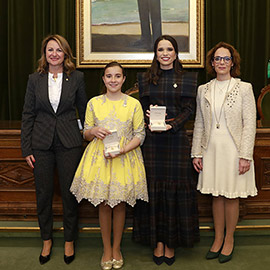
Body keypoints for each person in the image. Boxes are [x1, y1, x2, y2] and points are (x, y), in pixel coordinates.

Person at [70, 61, 148, 270]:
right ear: (103, 79)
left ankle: (116, 248)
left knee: (120, 204)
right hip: (100, 158)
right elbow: (86, 131)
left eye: (117, 76)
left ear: (123, 79)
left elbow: (140, 134)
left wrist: (123, 150)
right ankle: (106, 248)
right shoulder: (94, 103)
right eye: (109, 76)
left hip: (124, 157)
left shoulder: (133, 104)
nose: (113, 80)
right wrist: (93, 131)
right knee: (104, 204)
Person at [132, 35, 200, 266]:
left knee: (174, 193)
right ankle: (157, 241)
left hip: (176, 141)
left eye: (169, 48)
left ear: (175, 52)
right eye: (160, 49)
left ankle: (170, 243)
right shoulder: (145, 78)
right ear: (155, 52)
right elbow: (139, 108)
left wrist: (172, 124)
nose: (165, 53)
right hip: (152, 143)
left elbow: (189, 109)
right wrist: (147, 115)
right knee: (154, 191)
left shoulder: (188, 78)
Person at [21, 34, 88, 265]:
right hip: (41, 144)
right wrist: (26, 147)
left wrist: (86, 135)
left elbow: (83, 111)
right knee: (43, 194)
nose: (54, 54)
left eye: (59, 50)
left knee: (70, 194)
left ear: (66, 53)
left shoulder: (77, 78)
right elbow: (28, 114)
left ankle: (69, 240)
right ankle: (47, 239)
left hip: (69, 143)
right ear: (44, 54)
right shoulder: (34, 79)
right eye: (50, 50)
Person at [191, 42, 257, 263]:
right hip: (211, 148)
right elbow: (199, 123)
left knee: (231, 196)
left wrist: (245, 155)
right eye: (217, 59)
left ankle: (229, 239)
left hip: (234, 149)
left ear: (232, 62)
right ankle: (217, 239)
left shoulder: (244, 88)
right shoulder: (204, 90)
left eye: (225, 59)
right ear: (212, 63)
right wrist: (196, 153)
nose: (221, 62)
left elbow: (250, 124)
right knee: (216, 195)